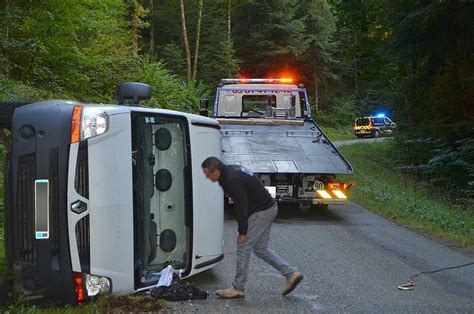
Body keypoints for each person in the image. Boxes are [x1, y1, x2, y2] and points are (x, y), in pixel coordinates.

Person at [201, 156, 303, 298]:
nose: (206, 177)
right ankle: (291, 274)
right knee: (261, 249)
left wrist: (242, 231)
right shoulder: (230, 171)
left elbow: (241, 206)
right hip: (268, 208)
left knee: (243, 247)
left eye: (207, 173)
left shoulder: (231, 179)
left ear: (216, 171)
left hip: (262, 212)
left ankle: (238, 287)